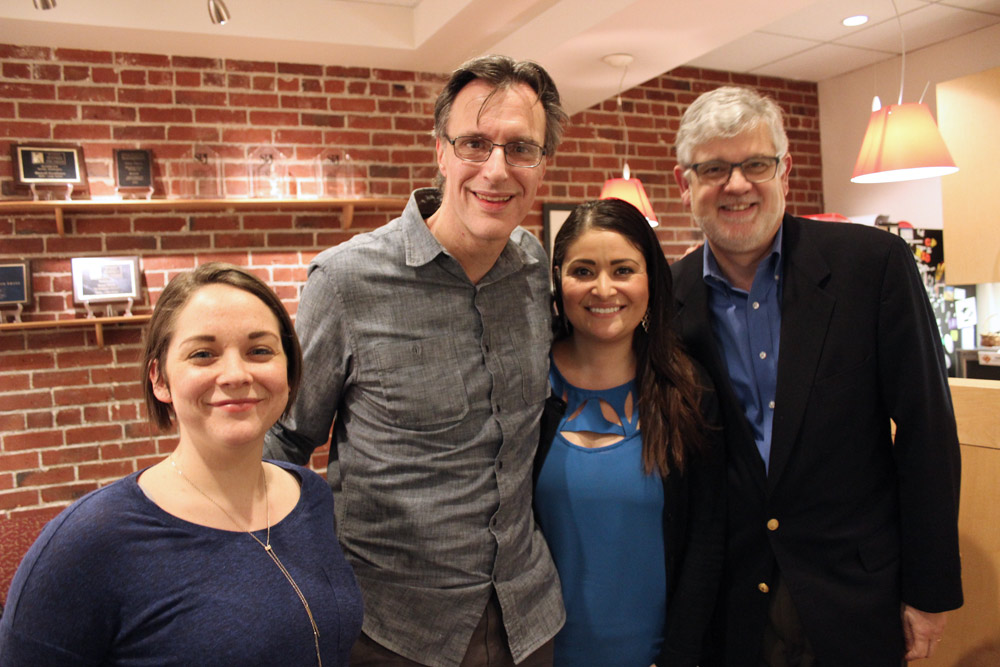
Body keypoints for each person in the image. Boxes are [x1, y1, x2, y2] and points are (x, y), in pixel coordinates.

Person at [263, 54, 569, 667]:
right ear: (440, 151)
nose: (497, 169)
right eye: (475, 144)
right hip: (392, 631)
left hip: (528, 621)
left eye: (521, 148)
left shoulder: (535, 268)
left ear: (543, 163)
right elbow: (284, 441)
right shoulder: (347, 281)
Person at [669, 86, 963, 666]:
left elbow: (928, 433)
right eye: (714, 168)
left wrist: (930, 593)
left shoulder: (873, 267)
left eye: (756, 163)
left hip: (857, 594)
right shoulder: (667, 297)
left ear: (785, 170)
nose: (736, 184)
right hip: (731, 606)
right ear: (686, 185)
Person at [0, 263, 363, 666]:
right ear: (160, 379)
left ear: (290, 370)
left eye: (259, 350)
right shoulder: (87, 542)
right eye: (203, 354)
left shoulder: (309, 496)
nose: (236, 374)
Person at [533, 199, 724, 667]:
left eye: (622, 270)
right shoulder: (526, 388)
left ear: (651, 281)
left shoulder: (689, 391)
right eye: (583, 271)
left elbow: (707, 543)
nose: (603, 289)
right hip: (537, 655)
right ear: (558, 282)